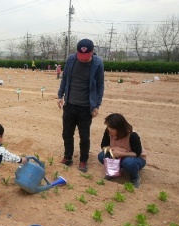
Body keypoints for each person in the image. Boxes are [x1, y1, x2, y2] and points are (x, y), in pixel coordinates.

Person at [57, 38, 105, 173]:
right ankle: (68, 157)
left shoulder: (98, 64)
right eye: (81, 56)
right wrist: (60, 96)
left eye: (86, 56)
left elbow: (100, 86)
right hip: (70, 104)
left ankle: (83, 160)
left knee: (84, 136)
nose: (83, 59)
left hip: (86, 107)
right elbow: (65, 79)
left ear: (92, 52)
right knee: (67, 133)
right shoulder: (71, 60)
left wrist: (97, 105)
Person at [97, 113, 146, 188]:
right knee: (101, 156)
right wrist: (113, 149)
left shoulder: (132, 135)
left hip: (135, 158)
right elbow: (103, 146)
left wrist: (121, 153)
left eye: (112, 129)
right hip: (117, 155)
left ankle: (135, 177)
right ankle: (113, 172)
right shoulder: (108, 131)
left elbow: (137, 153)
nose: (109, 130)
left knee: (128, 163)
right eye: (108, 127)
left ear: (120, 128)